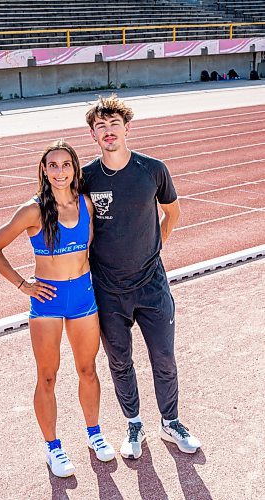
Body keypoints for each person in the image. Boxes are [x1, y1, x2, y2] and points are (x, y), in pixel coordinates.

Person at [0, 140, 115, 478]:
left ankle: (94, 434)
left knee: (87, 370)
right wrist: (22, 284)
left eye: (65, 164)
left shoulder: (86, 203)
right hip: (48, 302)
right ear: (44, 170)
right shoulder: (33, 210)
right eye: (52, 165)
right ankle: (53, 448)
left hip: (84, 297)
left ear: (75, 168)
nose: (59, 171)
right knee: (47, 376)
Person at [81, 94, 201, 459]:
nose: (108, 131)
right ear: (93, 135)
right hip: (108, 289)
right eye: (100, 126)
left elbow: (173, 213)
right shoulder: (85, 177)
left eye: (114, 124)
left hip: (151, 286)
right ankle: (134, 424)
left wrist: (155, 249)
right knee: (119, 361)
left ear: (127, 128)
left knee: (163, 357)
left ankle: (171, 422)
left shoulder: (152, 169)